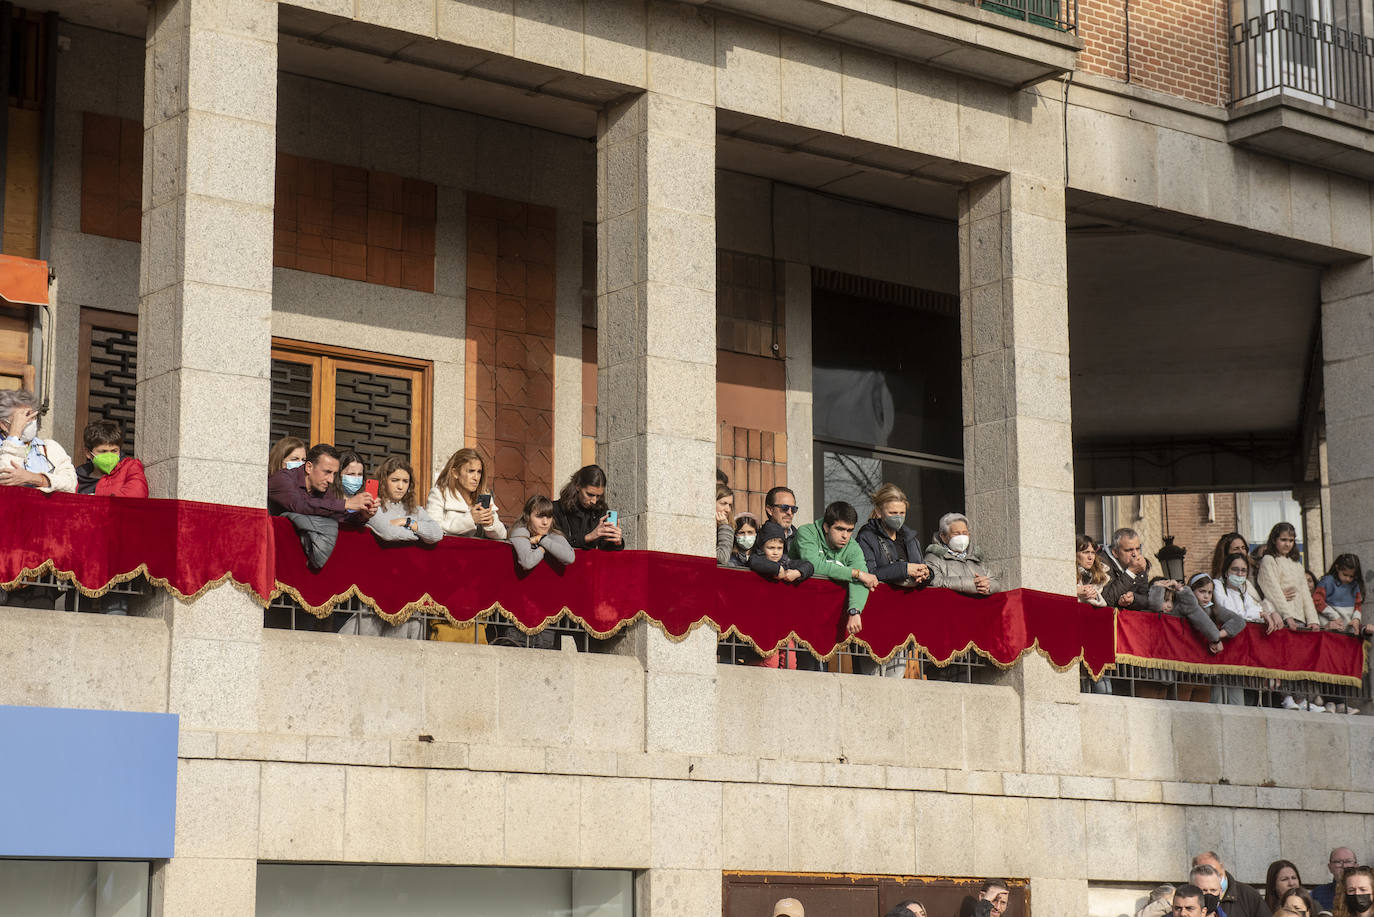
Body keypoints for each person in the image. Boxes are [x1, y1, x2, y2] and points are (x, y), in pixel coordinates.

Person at [268, 443, 377, 569]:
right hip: (273, 555)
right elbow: (300, 505)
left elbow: (340, 518)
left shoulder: (323, 489)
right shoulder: (283, 478)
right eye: (327, 472)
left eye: (334, 474)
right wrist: (346, 503)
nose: (331, 480)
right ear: (309, 467)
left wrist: (363, 515)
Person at [792, 501, 877, 636]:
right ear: (826, 527)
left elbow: (863, 579)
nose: (845, 536)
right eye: (840, 529)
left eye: (850, 530)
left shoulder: (853, 547)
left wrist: (855, 611)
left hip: (830, 617)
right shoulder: (807, 532)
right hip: (797, 610)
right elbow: (814, 565)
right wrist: (855, 573)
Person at [855, 483, 931, 589]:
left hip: (911, 601)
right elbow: (868, 573)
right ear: (879, 512)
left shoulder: (911, 539)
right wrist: (904, 569)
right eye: (893, 513)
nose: (898, 517)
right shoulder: (866, 537)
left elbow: (921, 567)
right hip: (882, 601)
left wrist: (927, 574)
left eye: (902, 513)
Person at [0, 389, 74, 493]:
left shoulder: (49, 448)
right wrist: (14, 436)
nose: (31, 421)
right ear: (4, 424)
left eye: (33, 416)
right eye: (24, 417)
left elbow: (71, 483)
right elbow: (5, 482)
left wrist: (34, 478)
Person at [427, 448, 507, 540]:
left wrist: (491, 524)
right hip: (449, 552)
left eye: (479, 472)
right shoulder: (439, 494)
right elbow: (431, 529)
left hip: (478, 552)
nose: (476, 478)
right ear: (455, 473)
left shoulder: (484, 496)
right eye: (471, 471)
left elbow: (503, 535)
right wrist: (470, 519)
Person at [363, 456, 441, 545]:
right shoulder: (373, 506)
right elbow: (388, 533)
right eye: (395, 480)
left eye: (405, 481)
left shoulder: (416, 510)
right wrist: (419, 535)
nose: (400, 486)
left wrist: (405, 522)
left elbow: (437, 534)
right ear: (383, 481)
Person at [1257, 522, 1320, 630]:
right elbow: (1273, 591)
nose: (1287, 544)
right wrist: (1288, 616)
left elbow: (1305, 595)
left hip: (1301, 620)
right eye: (1283, 540)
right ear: (1274, 540)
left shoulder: (1297, 565)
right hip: (1280, 619)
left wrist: (1313, 620)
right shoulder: (1269, 560)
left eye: (1291, 540)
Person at [924, 512, 999, 596]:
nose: (962, 537)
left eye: (965, 533)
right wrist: (972, 584)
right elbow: (935, 582)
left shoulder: (975, 557)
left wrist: (988, 586)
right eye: (956, 533)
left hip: (980, 607)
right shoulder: (933, 558)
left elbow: (995, 581)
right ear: (943, 537)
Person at [552, 464, 623, 550]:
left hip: (593, 563)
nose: (594, 501)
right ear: (578, 486)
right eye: (590, 494)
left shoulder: (601, 511)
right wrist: (588, 537)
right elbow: (552, 544)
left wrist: (616, 542)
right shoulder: (556, 509)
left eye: (598, 496)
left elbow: (605, 550)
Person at [74, 420, 147, 497]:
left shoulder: (131, 467)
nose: (109, 456)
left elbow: (137, 493)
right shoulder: (76, 477)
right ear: (88, 453)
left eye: (114, 451)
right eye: (103, 451)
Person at [1214, 552, 1277, 634]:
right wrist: (1260, 614)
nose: (1239, 574)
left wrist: (1263, 614)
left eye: (1243, 570)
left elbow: (1255, 609)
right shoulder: (1217, 585)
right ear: (1226, 572)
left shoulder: (1242, 591)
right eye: (1235, 569)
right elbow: (1232, 614)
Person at [1193, 851, 1270, 917]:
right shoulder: (1184, 905)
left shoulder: (1248, 894)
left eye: (1213, 890)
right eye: (1204, 890)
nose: (1209, 893)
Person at [510, 494, 575, 572]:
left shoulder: (553, 534)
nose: (545, 522)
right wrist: (543, 547)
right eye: (539, 516)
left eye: (549, 516)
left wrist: (542, 540)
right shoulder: (520, 531)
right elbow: (527, 562)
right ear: (528, 516)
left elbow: (570, 558)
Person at [1315, 554, 1366, 634]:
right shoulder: (1327, 581)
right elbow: (1317, 601)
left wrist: (1356, 619)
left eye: (1351, 576)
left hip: (1347, 630)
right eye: (1345, 574)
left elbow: (1357, 605)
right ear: (1337, 568)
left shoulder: (1355, 585)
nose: (1348, 579)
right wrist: (1334, 616)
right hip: (1328, 627)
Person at [1099, 527, 1149, 609]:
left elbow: (1147, 599)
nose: (1135, 554)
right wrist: (1131, 572)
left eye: (1137, 549)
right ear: (1115, 553)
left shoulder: (1138, 564)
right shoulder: (1101, 563)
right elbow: (1106, 600)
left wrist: (1134, 599)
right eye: (1129, 550)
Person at [1314, 849, 1359, 913]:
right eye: (1338, 862)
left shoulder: (1366, 892)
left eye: (1348, 861)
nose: (1344, 866)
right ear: (1330, 867)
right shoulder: (1318, 893)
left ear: (1356, 866)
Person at [764, 486, 800, 553]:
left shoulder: (800, 538)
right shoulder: (759, 539)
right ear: (770, 510)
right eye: (784, 508)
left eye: (793, 509)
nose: (789, 512)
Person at [1077, 533, 1110, 606]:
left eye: (1093, 553)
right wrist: (1075, 591)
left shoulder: (1103, 576)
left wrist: (1095, 596)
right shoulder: (1067, 573)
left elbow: (1107, 603)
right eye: (1085, 552)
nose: (1090, 557)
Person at [716, 483, 736, 564]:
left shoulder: (729, 528)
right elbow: (722, 558)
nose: (728, 509)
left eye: (730, 505)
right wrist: (724, 527)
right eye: (723, 504)